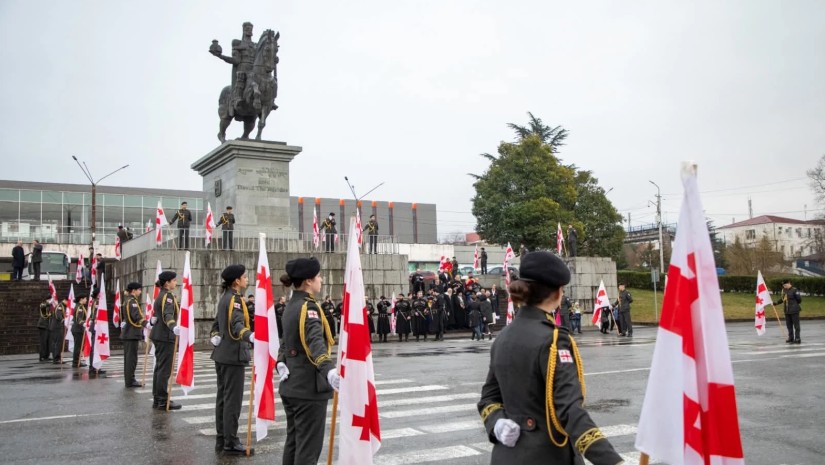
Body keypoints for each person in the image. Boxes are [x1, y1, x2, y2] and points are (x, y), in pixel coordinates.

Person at [478, 251, 622, 464]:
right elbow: (569, 410)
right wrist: (612, 461)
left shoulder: (503, 337)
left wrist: (496, 422)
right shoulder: (554, 340)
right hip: (548, 456)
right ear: (558, 292)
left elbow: (489, 398)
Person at [277, 257, 340, 465]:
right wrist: (328, 369)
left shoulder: (291, 304)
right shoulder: (308, 307)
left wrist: (281, 361)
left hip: (291, 386)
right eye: (318, 276)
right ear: (308, 281)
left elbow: (286, 341)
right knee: (308, 449)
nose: (321, 280)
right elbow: (315, 343)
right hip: (308, 389)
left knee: (294, 443)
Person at [210, 265, 255, 455]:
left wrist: (215, 334)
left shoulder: (226, 297)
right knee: (232, 401)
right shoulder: (235, 299)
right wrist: (250, 336)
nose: (247, 279)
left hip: (222, 354)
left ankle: (223, 435)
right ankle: (231, 440)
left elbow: (217, 323)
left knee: (222, 398)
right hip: (232, 355)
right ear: (236, 281)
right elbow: (236, 324)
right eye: (244, 277)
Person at [149, 270, 182, 410]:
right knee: (164, 369)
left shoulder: (161, 295)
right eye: (174, 280)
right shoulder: (167, 296)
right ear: (167, 283)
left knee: (159, 368)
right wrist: (173, 327)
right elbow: (168, 315)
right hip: (165, 335)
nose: (176, 282)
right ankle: (162, 399)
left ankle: (158, 398)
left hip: (158, 335)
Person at [121, 282, 147, 388]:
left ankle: (130, 380)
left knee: (129, 358)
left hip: (129, 333)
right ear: (134, 291)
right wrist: (147, 324)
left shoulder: (128, 300)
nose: (140, 292)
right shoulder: (132, 302)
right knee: (131, 359)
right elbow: (136, 316)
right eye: (139, 290)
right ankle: (130, 381)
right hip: (131, 333)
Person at [774, 279, 802, 344]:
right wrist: (776, 303)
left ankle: (797, 338)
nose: (784, 286)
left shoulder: (795, 290)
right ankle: (791, 338)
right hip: (787, 310)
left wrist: (794, 304)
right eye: (783, 285)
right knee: (789, 325)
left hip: (794, 310)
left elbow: (799, 300)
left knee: (796, 325)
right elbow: (782, 299)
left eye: (785, 285)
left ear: (789, 283)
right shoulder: (784, 291)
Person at [71, 295, 89, 368]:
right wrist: (82, 322)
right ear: (81, 299)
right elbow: (79, 318)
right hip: (78, 329)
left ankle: (77, 361)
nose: (86, 300)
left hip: (78, 329)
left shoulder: (80, 306)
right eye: (85, 298)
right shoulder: (79, 307)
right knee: (78, 347)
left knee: (78, 346)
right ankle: (76, 362)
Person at [49, 297, 66, 364]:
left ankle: (57, 357)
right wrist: (63, 319)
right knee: (57, 343)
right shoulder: (60, 306)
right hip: (57, 327)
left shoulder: (61, 306)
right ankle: (56, 358)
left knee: (58, 343)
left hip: (57, 327)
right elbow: (59, 315)